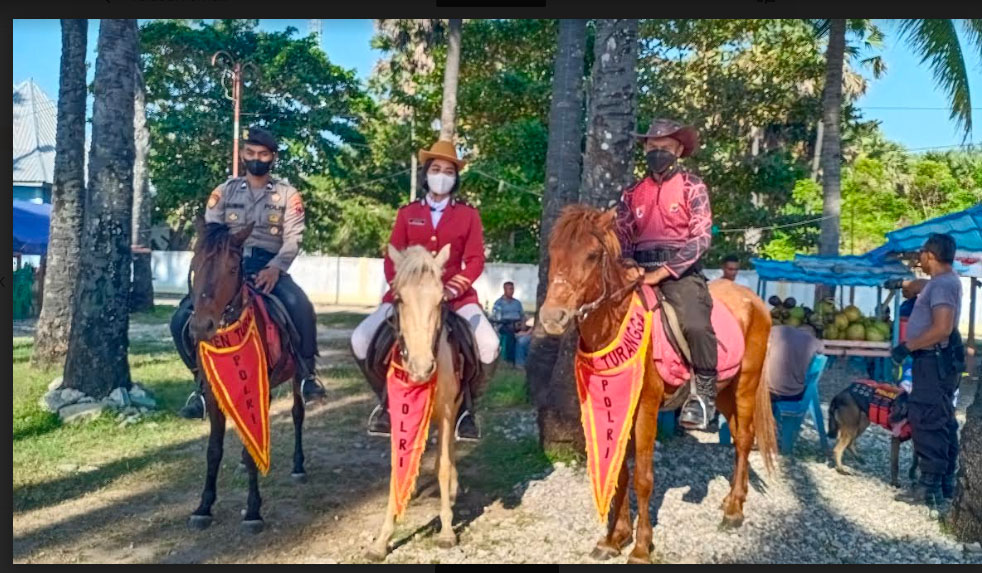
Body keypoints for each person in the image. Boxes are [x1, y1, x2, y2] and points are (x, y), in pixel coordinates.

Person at [170, 127, 327, 419]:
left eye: (263, 154)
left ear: (273, 158)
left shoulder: (287, 194)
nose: (256, 159)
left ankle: (307, 376)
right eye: (251, 153)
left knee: (300, 306)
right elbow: (211, 233)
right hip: (226, 269)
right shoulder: (224, 191)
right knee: (180, 319)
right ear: (243, 155)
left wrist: (276, 269)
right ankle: (200, 385)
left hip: (268, 266)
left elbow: (293, 239)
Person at [350, 140, 499, 441]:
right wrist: (403, 290)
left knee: (489, 344)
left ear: (455, 178)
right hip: (408, 299)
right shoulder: (408, 213)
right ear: (426, 174)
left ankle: (467, 409)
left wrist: (452, 289)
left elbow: (474, 260)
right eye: (435, 169)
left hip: (455, 298)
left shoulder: (469, 216)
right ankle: (386, 403)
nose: (441, 175)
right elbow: (393, 256)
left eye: (448, 171)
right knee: (360, 339)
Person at [615, 118, 718, 431]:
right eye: (652, 147)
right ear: (645, 148)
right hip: (636, 270)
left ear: (679, 150)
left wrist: (663, 273)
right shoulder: (631, 192)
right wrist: (629, 263)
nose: (657, 152)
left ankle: (704, 396)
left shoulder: (692, 186)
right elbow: (622, 233)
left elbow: (701, 236)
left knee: (696, 324)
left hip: (680, 271)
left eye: (665, 147)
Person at [891, 233, 965, 513]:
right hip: (936, 361)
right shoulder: (942, 281)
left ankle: (928, 487)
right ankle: (944, 481)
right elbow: (927, 286)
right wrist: (905, 284)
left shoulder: (943, 285)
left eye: (921, 253)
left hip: (932, 361)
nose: (918, 258)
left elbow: (942, 328)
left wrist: (906, 347)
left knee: (927, 418)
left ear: (930, 256)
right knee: (943, 417)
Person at [766, 325, 825, 402]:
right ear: (813, 333)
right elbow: (822, 352)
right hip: (794, 394)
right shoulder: (815, 342)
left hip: (768, 391)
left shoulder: (778, 329)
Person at [492, 281, 525, 364]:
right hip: (504, 324)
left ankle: (521, 360)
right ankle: (510, 359)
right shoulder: (499, 303)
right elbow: (497, 317)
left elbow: (522, 316)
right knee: (510, 333)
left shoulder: (517, 303)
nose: (511, 291)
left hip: (517, 323)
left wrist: (523, 324)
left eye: (512, 289)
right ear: (504, 289)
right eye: (509, 289)